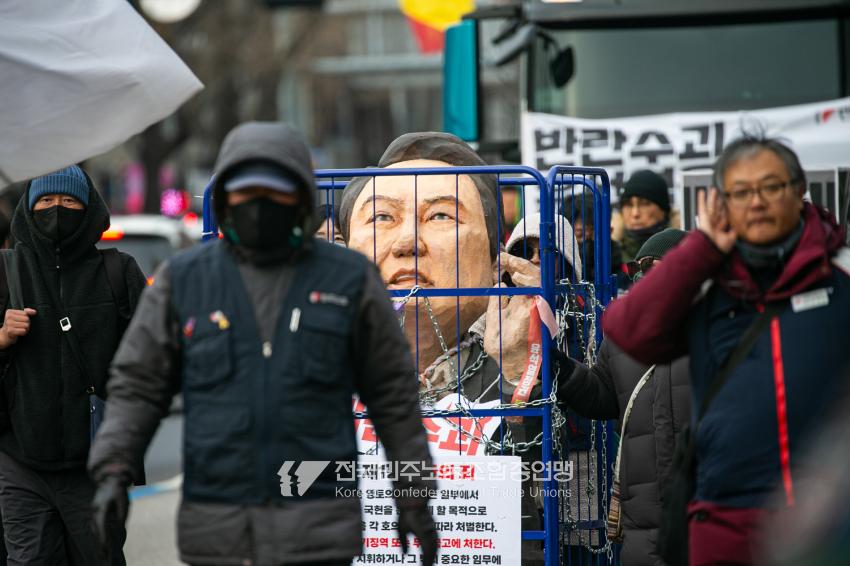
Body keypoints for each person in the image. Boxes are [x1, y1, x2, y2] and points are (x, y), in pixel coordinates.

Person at [88, 122, 438, 566]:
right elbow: (138, 387)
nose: (259, 205)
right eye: (246, 193)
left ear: (300, 198)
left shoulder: (348, 280)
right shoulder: (186, 281)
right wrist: (112, 472)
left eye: (274, 193)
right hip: (219, 529)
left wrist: (414, 496)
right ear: (225, 199)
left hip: (318, 527)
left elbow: (393, 398)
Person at [602, 135, 850, 565]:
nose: (757, 202)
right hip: (724, 519)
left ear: (798, 190)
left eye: (771, 186)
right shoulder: (706, 282)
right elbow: (628, 330)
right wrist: (702, 247)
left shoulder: (840, 274)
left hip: (828, 519)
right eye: (740, 191)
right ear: (721, 204)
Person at [338, 133, 585, 564]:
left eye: (440, 216)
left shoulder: (521, 358)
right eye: (381, 217)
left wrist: (519, 375)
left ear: (494, 261)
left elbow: (559, 489)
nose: (406, 243)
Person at [0, 165, 146, 565]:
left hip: (94, 465)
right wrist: (2, 337)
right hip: (20, 461)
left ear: (88, 207)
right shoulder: (5, 271)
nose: (56, 209)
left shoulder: (119, 272)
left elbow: (153, 362)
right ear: (29, 208)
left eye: (68, 200)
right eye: (46, 200)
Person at [558, 228, 690, 566]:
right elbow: (603, 395)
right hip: (642, 523)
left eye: (658, 266)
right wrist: (563, 369)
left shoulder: (718, 329)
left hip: (704, 512)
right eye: (639, 269)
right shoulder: (622, 336)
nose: (646, 278)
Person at [618, 170, 671, 263]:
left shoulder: (684, 251)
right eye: (628, 205)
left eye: (644, 204)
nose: (635, 213)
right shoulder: (606, 257)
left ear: (663, 210)